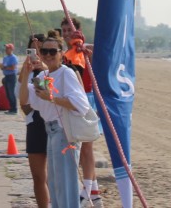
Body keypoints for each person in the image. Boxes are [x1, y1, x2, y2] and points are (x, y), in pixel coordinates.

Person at [19, 31, 91, 208]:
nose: (48, 55)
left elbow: (81, 105)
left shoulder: (66, 73)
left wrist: (52, 98)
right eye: (44, 51)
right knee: (55, 183)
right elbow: (25, 101)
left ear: (61, 53)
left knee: (65, 183)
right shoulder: (42, 77)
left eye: (53, 51)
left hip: (64, 131)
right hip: (50, 130)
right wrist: (26, 73)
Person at [61, 15, 103, 207]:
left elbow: (98, 61)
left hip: (87, 98)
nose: (67, 34)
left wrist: (86, 50)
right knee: (83, 147)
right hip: (74, 100)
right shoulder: (66, 54)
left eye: (69, 30)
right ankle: (94, 193)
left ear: (77, 31)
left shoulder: (84, 50)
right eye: (64, 31)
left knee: (86, 147)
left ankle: (86, 192)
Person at [17, 33, 49, 208]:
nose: (37, 53)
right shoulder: (26, 69)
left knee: (55, 174)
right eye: (33, 49)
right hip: (34, 122)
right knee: (38, 176)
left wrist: (43, 69)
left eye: (41, 49)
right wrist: (26, 71)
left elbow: (46, 95)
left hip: (52, 123)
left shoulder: (54, 69)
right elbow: (21, 99)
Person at [0, 42, 19, 114]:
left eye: (8, 48)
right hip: (6, 76)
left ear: (11, 49)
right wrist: (1, 66)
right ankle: (10, 108)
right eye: (6, 48)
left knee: (12, 93)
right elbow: (4, 67)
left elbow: (13, 67)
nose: (6, 50)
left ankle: (14, 109)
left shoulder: (13, 58)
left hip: (12, 76)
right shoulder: (5, 58)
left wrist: (4, 67)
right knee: (8, 94)